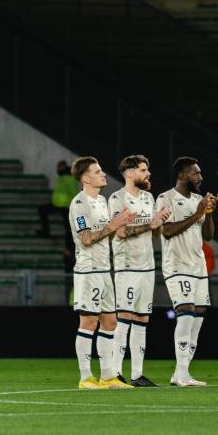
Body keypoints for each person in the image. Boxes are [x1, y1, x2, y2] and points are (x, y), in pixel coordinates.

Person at [69, 157, 135, 389]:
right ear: (86, 178)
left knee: (110, 321)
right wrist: (113, 226)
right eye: (97, 171)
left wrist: (122, 225)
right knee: (88, 322)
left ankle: (108, 376)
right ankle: (85, 377)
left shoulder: (102, 200)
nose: (103, 174)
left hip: (105, 269)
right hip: (89, 271)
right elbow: (86, 239)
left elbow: (108, 231)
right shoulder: (79, 204)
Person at [157, 157, 218, 387]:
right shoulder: (166, 198)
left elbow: (209, 236)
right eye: (196, 174)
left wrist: (209, 212)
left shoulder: (197, 200)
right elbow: (167, 231)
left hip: (198, 267)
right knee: (185, 314)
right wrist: (196, 213)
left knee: (197, 320)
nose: (200, 177)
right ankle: (182, 373)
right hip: (177, 266)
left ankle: (181, 373)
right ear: (183, 176)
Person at [110, 155, 171, 386]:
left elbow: (154, 232)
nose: (148, 174)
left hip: (147, 266)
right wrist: (150, 223)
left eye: (148, 169)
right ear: (129, 173)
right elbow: (121, 232)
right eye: (143, 170)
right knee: (124, 318)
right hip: (128, 266)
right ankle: (115, 373)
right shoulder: (117, 198)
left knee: (142, 319)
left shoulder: (148, 197)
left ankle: (137, 374)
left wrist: (160, 220)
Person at [39, 160, 77, 241]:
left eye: (60, 167)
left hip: (65, 206)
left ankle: (70, 245)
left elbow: (74, 193)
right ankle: (46, 231)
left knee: (68, 227)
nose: (58, 169)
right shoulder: (62, 177)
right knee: (42, 209)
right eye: (58, 167)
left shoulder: (69, 178)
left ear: (64, 167)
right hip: (58, 205)